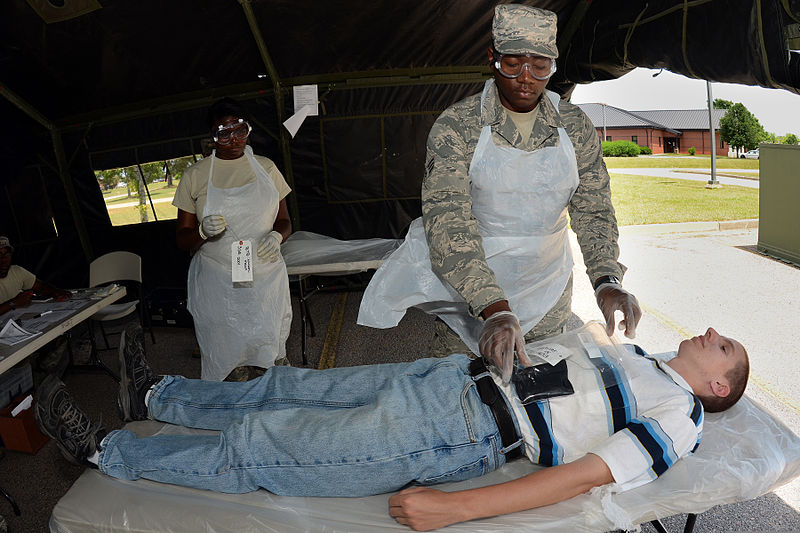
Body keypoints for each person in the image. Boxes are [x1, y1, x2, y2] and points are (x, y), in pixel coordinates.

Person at [34, 322, 748, 531]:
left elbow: (585, 473)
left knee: (272, 446)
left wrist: (455, 506)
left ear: (717, 386)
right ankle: (158, 394)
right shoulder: (640, 356)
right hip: (446, 377)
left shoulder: (678, 418)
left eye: (724, 345)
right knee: (288, 387)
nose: (711, 331)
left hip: (459, 433)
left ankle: (105, 449)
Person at [357, 5, 641, 381]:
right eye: (513, 64)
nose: (526, 79)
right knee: (459, 387)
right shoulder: (458, 126)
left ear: (553, 64)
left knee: (540, 394)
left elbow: (594, 211)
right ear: (492, 59)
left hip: (548, 291)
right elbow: (448, 221)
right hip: (473, 295)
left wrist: (606, 279)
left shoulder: (574, 126)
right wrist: (493, 306)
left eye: (540, 66)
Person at [172, 98, 293, 381]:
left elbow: (285, 221)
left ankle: (270, 399)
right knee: (225, 352)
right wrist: (201, 233)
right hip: (218, 281)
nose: (233, 138)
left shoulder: (267, 168)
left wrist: (277, 236)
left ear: (248, 130)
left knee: (267, 347)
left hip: (266, 277)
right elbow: (182, 238)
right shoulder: (195, 176)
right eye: (222, 132)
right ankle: (228, 405)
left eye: (239, 129)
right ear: (212, 137)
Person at [0, 235, 72, 315]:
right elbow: (15, 303)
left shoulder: (16, 271)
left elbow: (40, 286)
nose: (4, 260)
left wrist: (55, 291)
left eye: (7, 255)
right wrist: (13, 303)